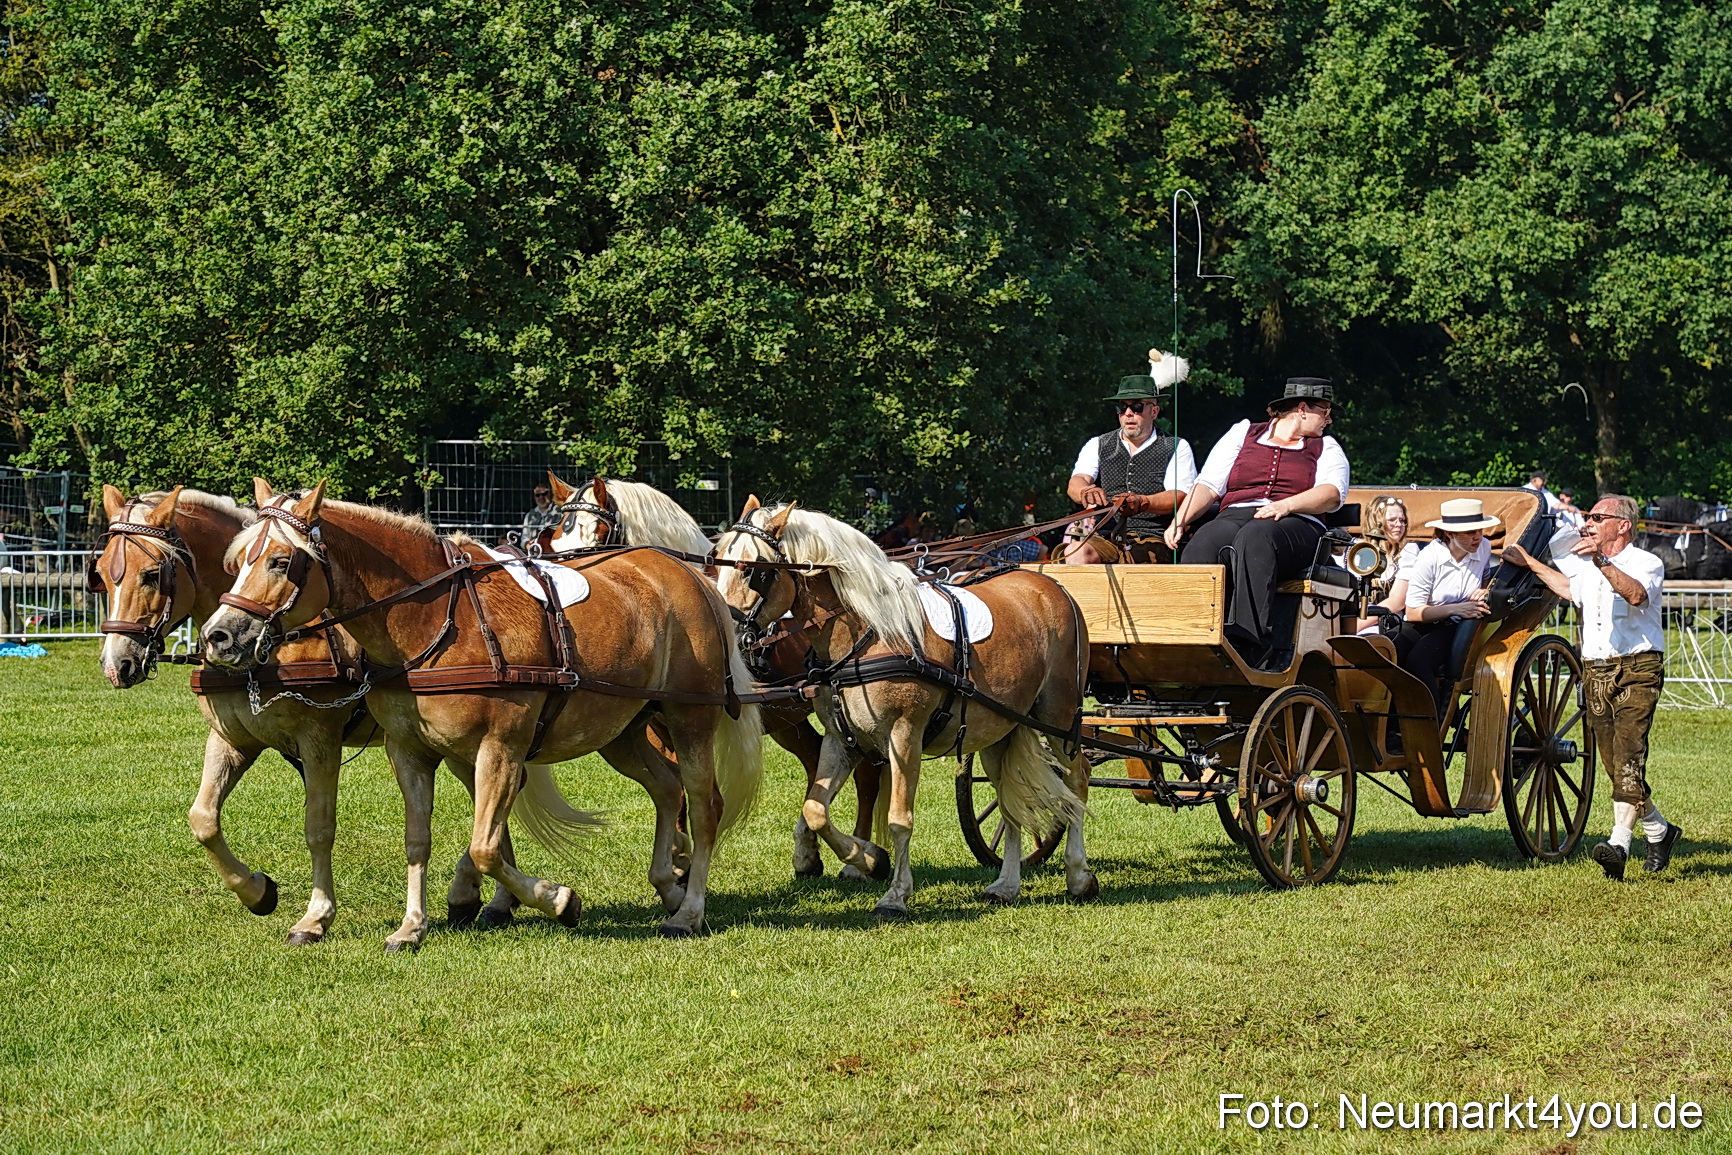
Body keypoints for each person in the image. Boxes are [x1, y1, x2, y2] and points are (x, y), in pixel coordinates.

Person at [1503, 494, 1680, 881]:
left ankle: (1618, 844)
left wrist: (1600, 558)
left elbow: (1635, 595)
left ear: (1623, 525)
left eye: (1599, 517)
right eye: (1589, 516)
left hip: (1638, 667)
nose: (1590, 523)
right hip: (1596, 670)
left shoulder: (1646, 563)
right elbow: (1568, 586)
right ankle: (1659, 830)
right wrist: (1531, 562)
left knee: (1629, 755)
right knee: (1614, 764)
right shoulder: (1585, 566)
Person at [1164, 377, 1348, 666]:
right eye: (1324, 412)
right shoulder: (1244, 433)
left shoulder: (1326, 447)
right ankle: (1191, 636)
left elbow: (1332, 493)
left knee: (1257, 536)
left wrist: (1287, 505)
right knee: (1207, 539)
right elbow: (1210, 484)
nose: (1329, 420)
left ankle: (1249, 642)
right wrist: (1181, 519)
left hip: (1298, 525)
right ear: (1302, 409)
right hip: (1238, 514)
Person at [1065, 350, 1198, 564]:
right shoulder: (1097, 444)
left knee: (1138, 565)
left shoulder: (1176, 447)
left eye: (1136, 407)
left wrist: (1143, 502)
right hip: (1105, 536)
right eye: (1122, 407)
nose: (1128, 413)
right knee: (1076, 553)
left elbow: (1180, 495)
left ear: (1154, 411)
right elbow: (1076, 482)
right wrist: (1085, 491)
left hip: (1155, 538)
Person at [1395, 498, 1499, 716]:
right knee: (1392, 654)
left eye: (1479, 530)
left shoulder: (1484, 548)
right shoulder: (1429, 559)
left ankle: (1433, 721)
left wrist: (1486, 590)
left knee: (1418, 661)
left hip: (1458, 625)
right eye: (1470, 532)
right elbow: (1413, 612)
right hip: (1426, 620)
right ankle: (1393, 723)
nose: (1478, 536)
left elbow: (1486, 580)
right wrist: (1456, 608)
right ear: (1450, 534)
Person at [1354, 495, 1422, 633]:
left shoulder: (1407, 552)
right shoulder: (1355, 550)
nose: (1399, 525)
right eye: (1392, 520)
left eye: (1402, 520)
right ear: (1375, 521)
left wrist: (1356, 626)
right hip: (1350, 620)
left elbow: (1397, 602)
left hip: (1384, 624)